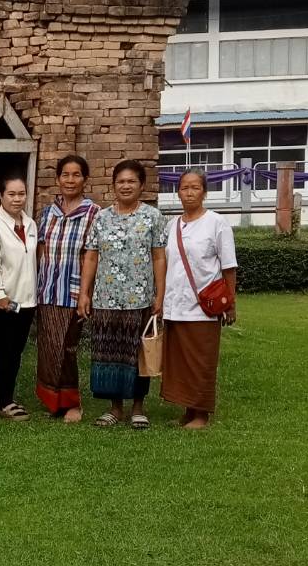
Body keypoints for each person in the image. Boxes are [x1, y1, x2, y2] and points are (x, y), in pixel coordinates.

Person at [77, 159, 166, 429]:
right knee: (109, 354)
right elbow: (91, 257)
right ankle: (114, 407)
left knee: (138, 355)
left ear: (141, 185)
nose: (125, 186)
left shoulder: (152, 217)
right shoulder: (101, 218)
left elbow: (159, 257)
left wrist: (159, 295)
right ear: (113, 185)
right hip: (106, 299)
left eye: (131, 181)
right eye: (121, 181)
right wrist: (84, 293)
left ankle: (138, 407)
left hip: (139, 300)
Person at [161, 168, 238, 429]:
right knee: (181, 361)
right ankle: (187, 409)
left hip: (204, 305)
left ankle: (201, 413)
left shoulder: (217, 223)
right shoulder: (172, 225)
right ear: (178, 192)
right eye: (185, 187)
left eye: (195, 187)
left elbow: (228, 266)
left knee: (202, 359)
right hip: (176, 303)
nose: (189, 192)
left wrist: (231, 303)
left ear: (204, 192)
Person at [35, 155, 99, 423]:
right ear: (57, 179)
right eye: (65, 175)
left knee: (67, 348)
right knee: (49, 348)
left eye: (76, 175)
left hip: (73, 293)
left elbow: (90, 255)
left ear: (85, 179)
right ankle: (53, 401)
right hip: (47, 290)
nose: (70, 180)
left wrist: (85, 293)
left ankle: (73, 403)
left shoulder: (93, 213)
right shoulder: (48, 212)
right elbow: (39, 250)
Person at [0, 174, 38, 420]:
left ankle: (9, 396)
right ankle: (4, 401)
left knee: (16, 352)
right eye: (11, 194)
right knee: (3, 351)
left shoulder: (30, 224)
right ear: (1, 196)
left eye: (21, 194)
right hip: (3, 303)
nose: (17, 199)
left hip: (26, 301)